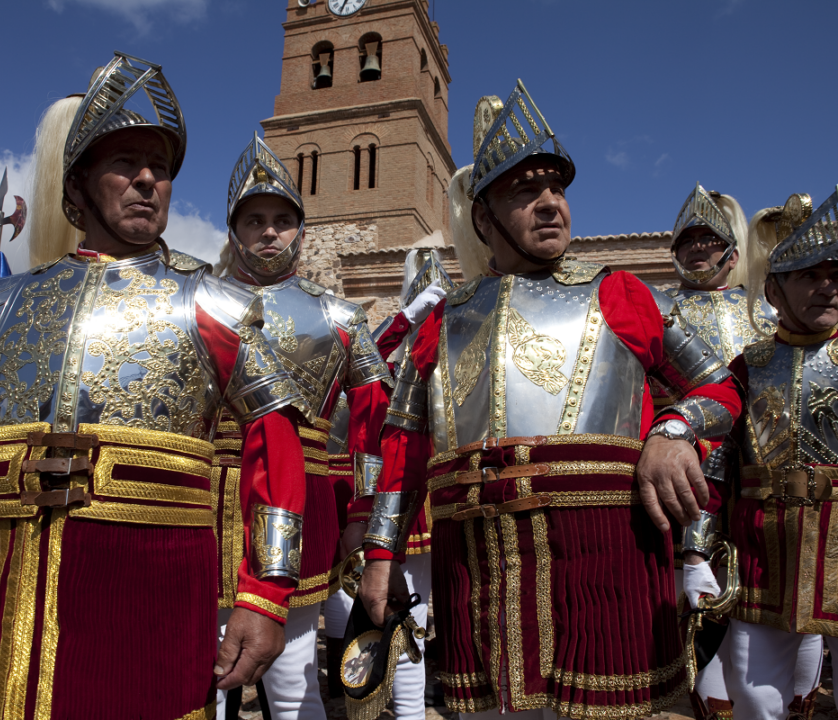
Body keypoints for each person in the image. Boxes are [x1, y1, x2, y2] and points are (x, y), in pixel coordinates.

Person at [0, 52, 307, 719]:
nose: (148, 180)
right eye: (124, 163)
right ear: (78, 186)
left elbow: (275, 439)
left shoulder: (213, 304)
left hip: (150, 591)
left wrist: (266, 594)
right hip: (4, 582)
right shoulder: (7, 302)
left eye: (162, 168)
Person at [357, 80, 743, 719]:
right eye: (522, 191)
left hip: (604, 560)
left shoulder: (620, 294)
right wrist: (379, 556)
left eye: (557, 189)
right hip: (475, 571)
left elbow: (719, 387)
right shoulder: (441, 322)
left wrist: (673, 430)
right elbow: (402, 449)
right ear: (483, 217)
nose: (548, 205)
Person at [212, 133, 400, 720]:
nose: (269, 232)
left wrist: (363, 518)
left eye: (282, 220)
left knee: (294, 679)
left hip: (306, 502)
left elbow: (374, 425)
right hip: (202, 499)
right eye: (254, 220)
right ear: (234, 230)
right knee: (200, 672)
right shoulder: (194, 301)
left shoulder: (342, 318)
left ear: (301, 229)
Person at [685, 190, 838, 719]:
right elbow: (717, 462)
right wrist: (696, 550)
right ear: (774, 288)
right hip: (760, 549)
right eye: (808, 275)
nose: (826, 287)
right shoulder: (747, 365)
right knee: (755, 694)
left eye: (835, 275)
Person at [663, 184, 787, 718]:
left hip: (757, 483)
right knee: (697, 627)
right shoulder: (658, 315)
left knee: (768, 631)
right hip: (684, 477)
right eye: (686, 240)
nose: (696, 249)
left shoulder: (763, 315)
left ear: (731, 253)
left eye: (707, 240)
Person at [323, 249, 450, 718]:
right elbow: (354, 368)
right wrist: (400, 321)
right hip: (410, 510)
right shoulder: (394, 371)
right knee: (407, 621)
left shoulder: (455, 354)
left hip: (449, 504)